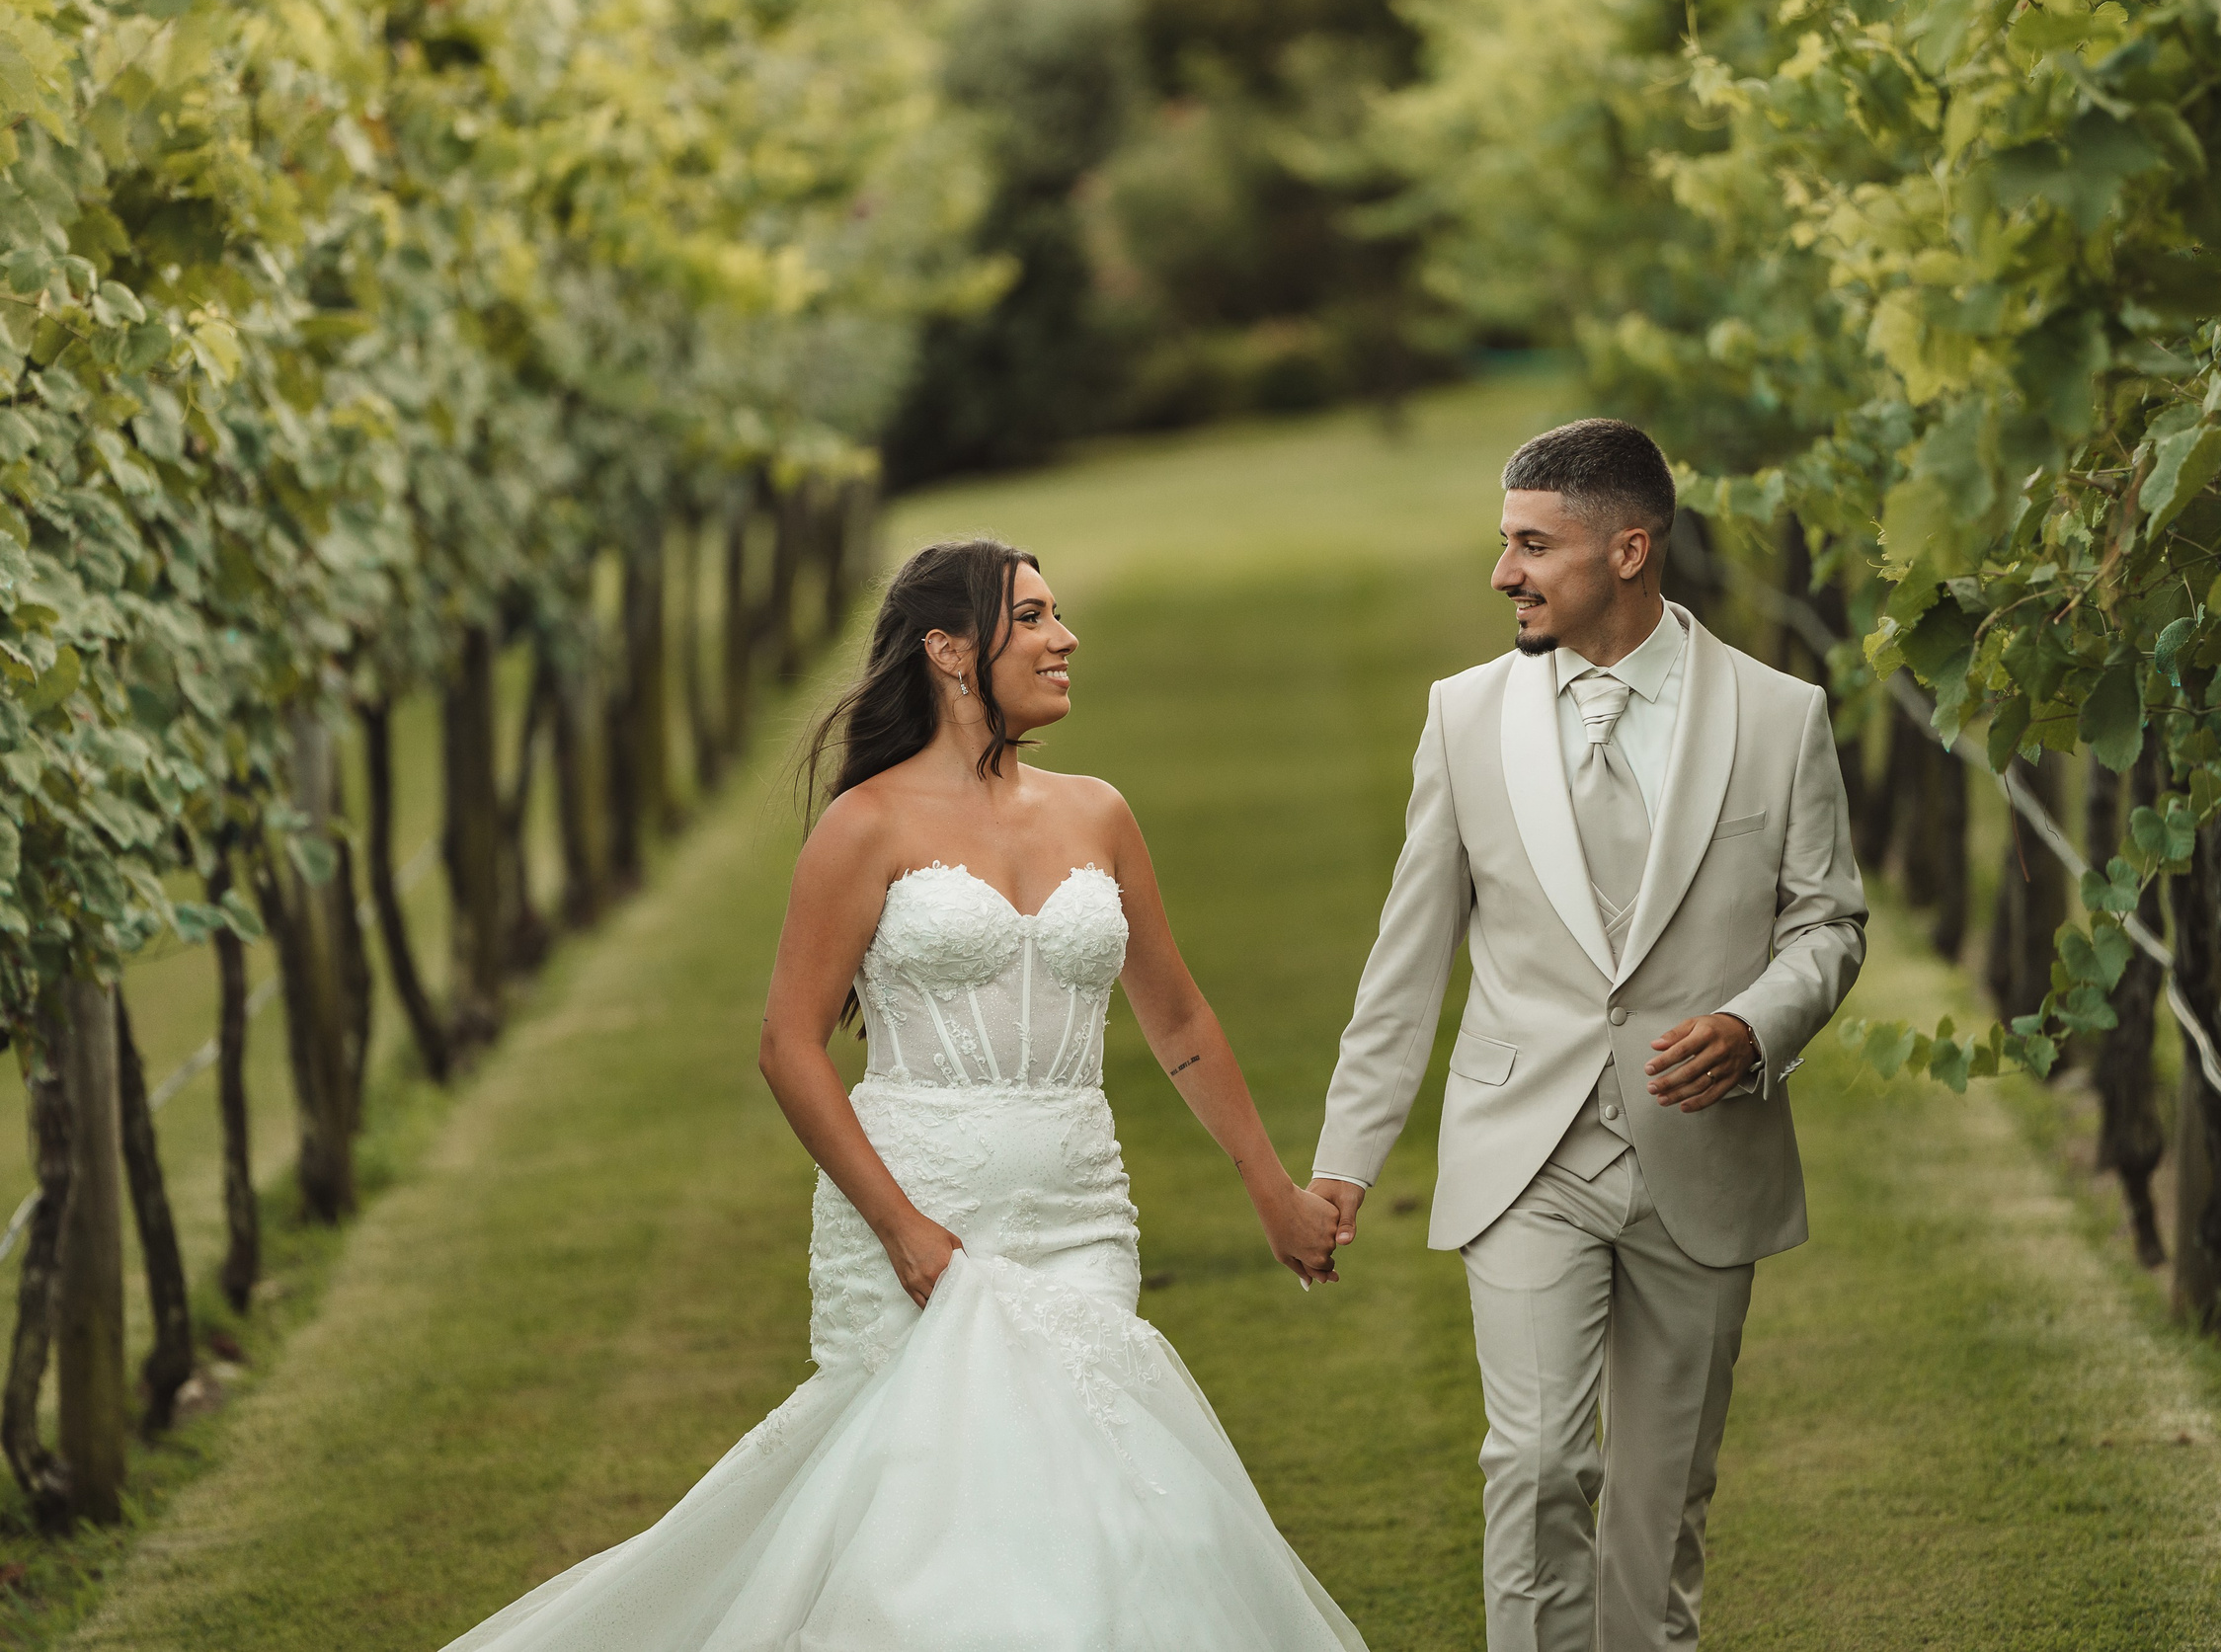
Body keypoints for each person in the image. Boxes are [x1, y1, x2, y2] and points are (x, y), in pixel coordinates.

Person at [440, 538, 1363, 1652]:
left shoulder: (1099, 814)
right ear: (949, 651)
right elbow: (789, 1045)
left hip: (1078, 1213)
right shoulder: (865, 827)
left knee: (1098, 1511)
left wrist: (1269, 1188)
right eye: (1031, 618)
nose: (1064, 639)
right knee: (931, 1526)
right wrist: (904, 1229)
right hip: (919, 1211)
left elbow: (1177, 1019)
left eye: (1055, 614)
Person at [1308, 419, 1867, 1652]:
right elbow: (1407, 958)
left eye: (1530, 545)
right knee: (1537, 1462)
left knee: (1662, 1502)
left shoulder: (1779, 716)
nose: (1502, 573)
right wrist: (1346, 1159)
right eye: (1503, 542)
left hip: (1701, 1151)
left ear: (1629, 547)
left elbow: (1828, 923)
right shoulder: (1463, 718)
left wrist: (1754, 1021)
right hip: (1526, 1152)